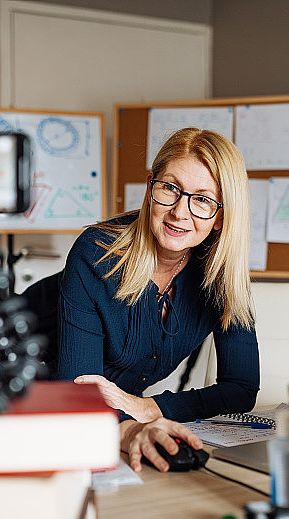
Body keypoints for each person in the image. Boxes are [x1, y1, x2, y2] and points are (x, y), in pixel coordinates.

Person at [54, 127, 259, 473]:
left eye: (203, 199)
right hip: (36, 386)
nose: (180, 212)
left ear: (221, 216)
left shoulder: (222, 272)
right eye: (170, 188)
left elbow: (240, 388)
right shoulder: (95, 253)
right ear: (150, 188)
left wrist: (149, 409)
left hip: (117, 411)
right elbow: (78, 390)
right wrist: (130, 428)